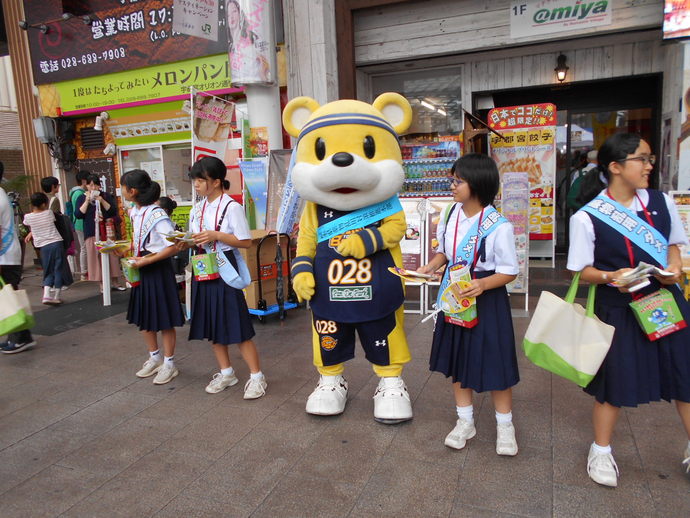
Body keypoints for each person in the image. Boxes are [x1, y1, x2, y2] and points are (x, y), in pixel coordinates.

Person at [567, 132, 690, 487]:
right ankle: (601, 450)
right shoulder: (588, 218)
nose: (650, 166)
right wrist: (609, 274)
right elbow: (580, 271)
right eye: (643, 159)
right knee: (614, 382)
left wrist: (674, 268)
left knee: (684, 375)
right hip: (619, 307)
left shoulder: (661, 202)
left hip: (665, 302)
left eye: (650, 158)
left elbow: (674, 246)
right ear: (616, 167)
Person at [417, 153, 520, 455]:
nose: (452, 186)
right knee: (459, 360)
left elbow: (509, 270)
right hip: (455, 297)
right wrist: (430, 266)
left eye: (457, 181)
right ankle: (465, 422)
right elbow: (445, 254)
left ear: (476, 184)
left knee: (496, 363)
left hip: (486, 300)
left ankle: (505, 426)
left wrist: (483, 284)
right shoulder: (450, 214)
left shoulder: (498, 226)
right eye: (452, 179)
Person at [178, 156, 267, 399]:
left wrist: (217, 235)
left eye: (200, 180)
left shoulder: (232, 207)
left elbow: (246, 242)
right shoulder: (197, 208)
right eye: (194, 180)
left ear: (216, 182)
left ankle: (257, 377)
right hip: (203, 268)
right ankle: (226, 372)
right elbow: (195, 237)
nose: (195, 185)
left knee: (237, 324)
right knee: (212, 324)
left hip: (224, 267)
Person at [121, 170, 185, 385]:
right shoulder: (134, 211)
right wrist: (120, 250)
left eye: (123, 187)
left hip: (157, 269)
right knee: (145, 317)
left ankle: (169, 364)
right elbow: (137, 242)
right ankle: (154, 358)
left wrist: (146, 260)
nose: (121, 192)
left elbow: (173, 246)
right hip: (141, 268)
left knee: (164, 319)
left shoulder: (157, 214)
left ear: (133, 191)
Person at [0, 161, 35, 353]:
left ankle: (21, 337)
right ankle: (21, 336)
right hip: (7, 255)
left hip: (5, 257)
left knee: (9, 296)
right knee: (10, 295)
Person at [74, 174, 125, 290]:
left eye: (95, 185)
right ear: (86, 185)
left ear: (99, 185)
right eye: (90, 185)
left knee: (112, 256)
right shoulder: (81, 198)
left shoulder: (105, 196)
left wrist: (101, 200)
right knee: (95, 257)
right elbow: (78, 214)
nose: (93, 188)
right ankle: (102, 283)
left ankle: (115, 281)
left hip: (107, 232)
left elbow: (112, 211)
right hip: (91, 232)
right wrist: (87, 201)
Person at [23, 192, 73, 305]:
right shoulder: (49, 213)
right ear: (44, 204)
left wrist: (31, 233)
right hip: (56, 243)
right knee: (58, 269)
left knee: (48, 270)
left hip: (43, 247)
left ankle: (46, 295)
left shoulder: (27, 217)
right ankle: (56, 296)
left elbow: (32, 226)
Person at [69, 170, 90, 280]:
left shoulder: (74, 192)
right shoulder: (79, 194)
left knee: (84, 248)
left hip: (78, 224)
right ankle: (84, 272)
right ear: (83, 181)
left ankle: (85, 272)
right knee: (85, 248)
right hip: (81, 224)